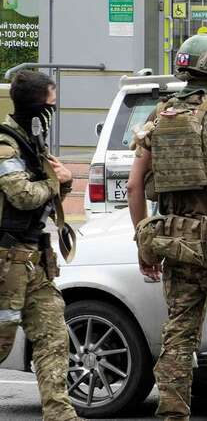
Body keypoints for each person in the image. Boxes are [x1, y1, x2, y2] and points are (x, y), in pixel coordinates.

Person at [126, 33, 207, 420]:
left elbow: (134, 185)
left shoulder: (158, 115)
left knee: (178, 336)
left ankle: (172, 414)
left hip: (174, 247)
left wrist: (142, 242)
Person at [0, 70, 81, 421]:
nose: (51, 112)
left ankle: (59, 414)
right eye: (48, 105)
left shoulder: (34, 144)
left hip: (34, 261)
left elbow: (48, 198)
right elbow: (22, 195)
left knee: (53, 338)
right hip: (7, 263)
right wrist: (54, 180)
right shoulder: (6, 145)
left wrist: (63, 182)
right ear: (33, 106)